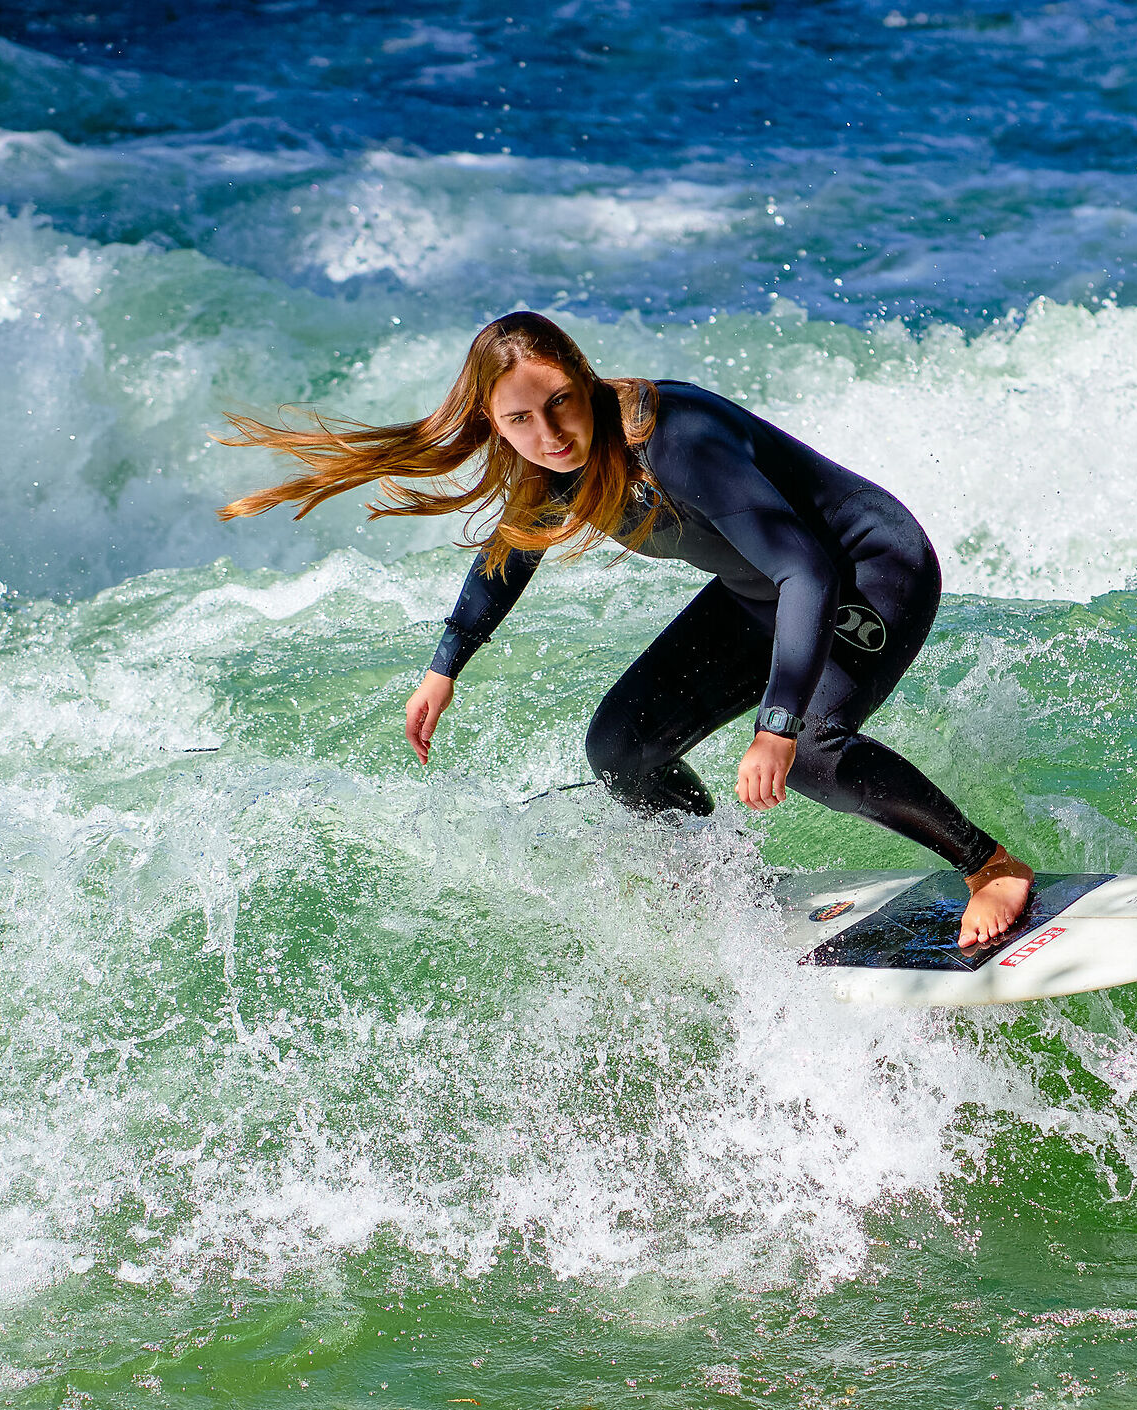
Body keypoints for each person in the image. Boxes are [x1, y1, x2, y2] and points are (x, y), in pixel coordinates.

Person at [217, 310, 1034, 948]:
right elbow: (508, 554)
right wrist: (445, 665)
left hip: (864, 569)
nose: (550, 433)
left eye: (560, 402)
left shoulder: (676, 440)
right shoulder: (550, 467)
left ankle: (988, 863)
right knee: (621, 745)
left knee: (815, 750)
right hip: (763, 592)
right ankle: (734, 887)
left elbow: (807, 571)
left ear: (583, 375)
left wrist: (777, 725)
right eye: (520, 421)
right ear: (496, 427)